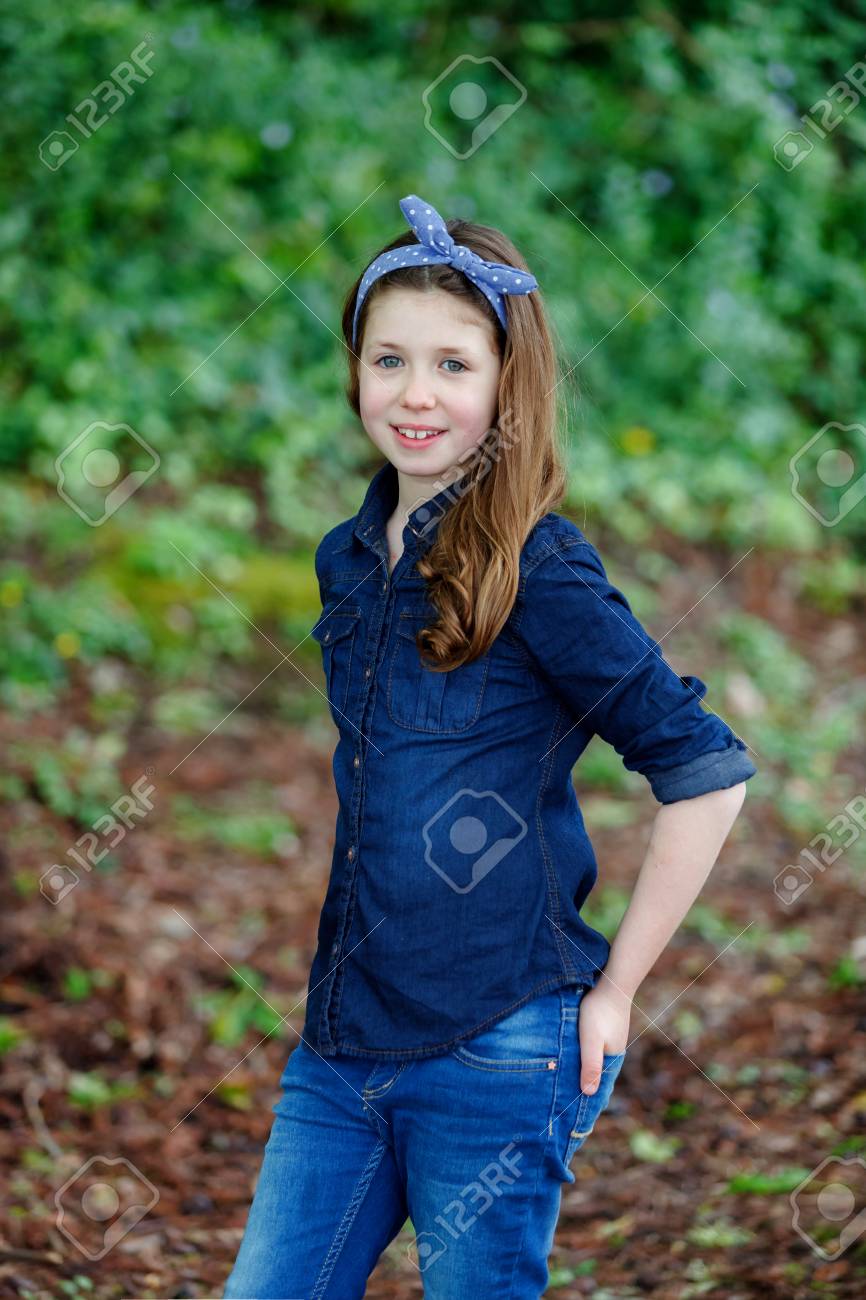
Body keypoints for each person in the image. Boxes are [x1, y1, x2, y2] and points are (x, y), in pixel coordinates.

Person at [223, 194, 757, 1299]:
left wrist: (612, 994)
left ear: (505, 383)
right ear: (355, 370)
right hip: (340, 1042)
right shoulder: (346, 558)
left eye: (454, 366)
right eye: (389, 359)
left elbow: (701, 772)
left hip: (497, 1045)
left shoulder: (537, 567)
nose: (416, 394)